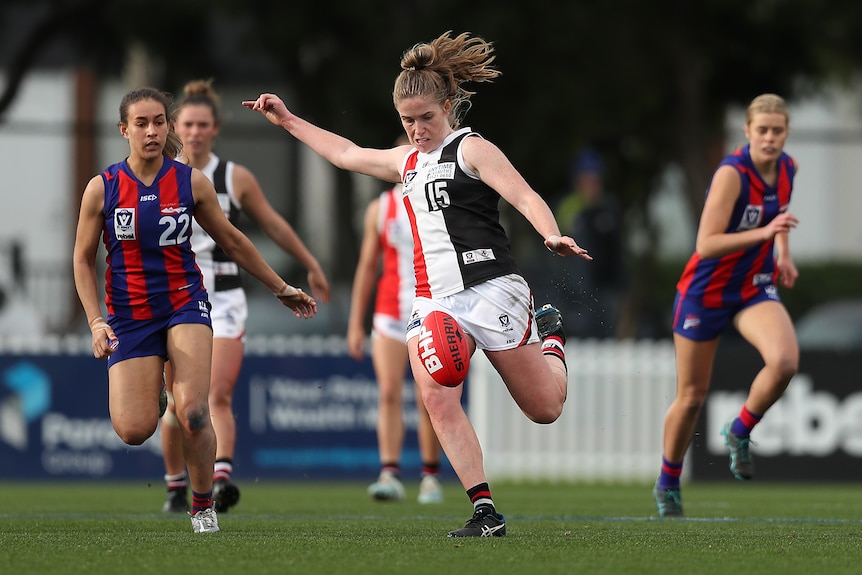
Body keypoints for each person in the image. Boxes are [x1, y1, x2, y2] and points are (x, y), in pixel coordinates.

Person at [243, 31, 591, 537]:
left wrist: (551, 233)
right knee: (436, 394)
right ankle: (484, 511)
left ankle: (551, 338)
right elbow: (344, 153)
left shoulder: (470, 148)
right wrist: (289, 119)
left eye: (426, 117)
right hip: (432, 300)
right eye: (408, 120)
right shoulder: (405, 161)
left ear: (448, 106)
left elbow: (524, 194)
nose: (418, 128)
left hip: (493, 288)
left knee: (545, 409)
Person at [72, 87, 317, 533]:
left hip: (185, 301)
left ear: (168, 127)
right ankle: (156, 391)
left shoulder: (190, 182)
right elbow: (82, 259)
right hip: (129, 316)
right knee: (132, 429)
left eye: (159, 122)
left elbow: (234, 241)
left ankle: (202, 507)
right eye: (141, 123)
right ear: (123, 129)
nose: (151, 131)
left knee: (196, 412)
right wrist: (95, 320)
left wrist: (281, 287)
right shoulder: (102, 187)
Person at [159, 79, 331, 515]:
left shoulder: (233, 178)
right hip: (174, 297)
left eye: (203, 125)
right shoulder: (160, 178)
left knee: (216, 395)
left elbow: (272, 225)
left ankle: (219, 480)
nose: (195, 132)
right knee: (176, 403)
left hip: (225, 298)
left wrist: (309, 262)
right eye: (188, 124)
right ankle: (175, 486)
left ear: (215, 128)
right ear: (176, 127)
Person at [653, 93, 800, 518]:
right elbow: (707, 244)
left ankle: (739, 432)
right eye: (763, 130)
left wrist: (783, 252)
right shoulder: (732, 174)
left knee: (785, 361)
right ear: (748, 132)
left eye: (778, 130)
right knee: (692, 396)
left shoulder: (789, 167)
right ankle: (668, 480)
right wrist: (766, 234)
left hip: (753, 286)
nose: (771, 138)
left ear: (786, 132)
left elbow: (781, 214)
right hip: (706, 291)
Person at [347, 135, 444, 504]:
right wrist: (356, 322)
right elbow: (367, 267)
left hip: (429, 307)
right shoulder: (380, 208)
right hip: (389, 312)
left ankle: (430, 477)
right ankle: (389, 473)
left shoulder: (436, 201)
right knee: (388, 392)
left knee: (428, 395)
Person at [554, 149, 625, 338]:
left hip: (605, 287)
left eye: (595, 180)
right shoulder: (569, 206)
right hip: (575, 290)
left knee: (606, 332)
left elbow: (616, 250)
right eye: (587, 179)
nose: (591, 185)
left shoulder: (609, 207)